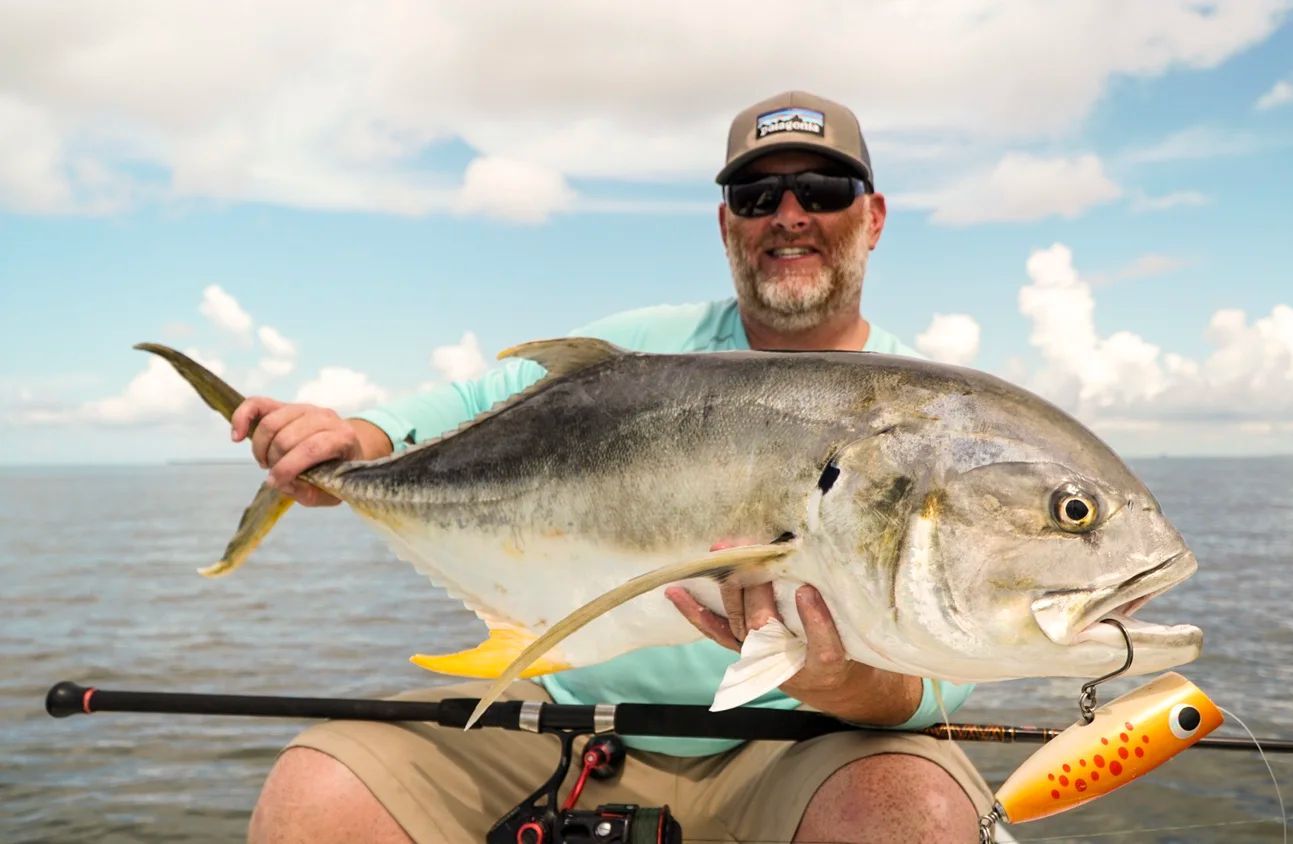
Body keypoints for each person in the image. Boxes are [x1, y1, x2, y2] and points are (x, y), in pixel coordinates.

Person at [239, 91, 1003, 844]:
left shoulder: (928, 416)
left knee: (918, 813)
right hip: (566, 720)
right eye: (756, 193)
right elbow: (479, 399)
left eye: (824, 189)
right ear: (725, 224)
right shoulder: (645, 350)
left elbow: (937, 678)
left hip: (804, 752)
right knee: (319, 790)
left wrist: (845, 685)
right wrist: (358, 442)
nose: (790, 213)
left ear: (873, 217)